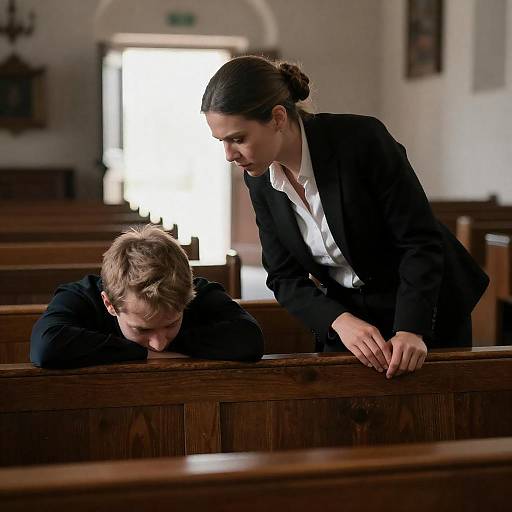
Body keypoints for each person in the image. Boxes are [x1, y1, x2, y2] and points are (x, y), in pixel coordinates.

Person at [201, 55, 489, 379]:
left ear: (278, 118)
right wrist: (339, 321)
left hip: (424, 306)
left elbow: (418, 241)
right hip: (351, 315)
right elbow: (284, 277)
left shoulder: (361, 140)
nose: (228, 155)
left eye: (238, 138)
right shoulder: (260, 179)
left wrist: (411, 329)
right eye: (221, 141)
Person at [30, 224, 264, 368]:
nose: (159, 345)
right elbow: (46, 347)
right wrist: (143, 353)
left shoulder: (193, 291)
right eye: (142, 330)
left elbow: (250, 339)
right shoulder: (81, 297)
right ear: (109, 303)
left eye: (171, 324)